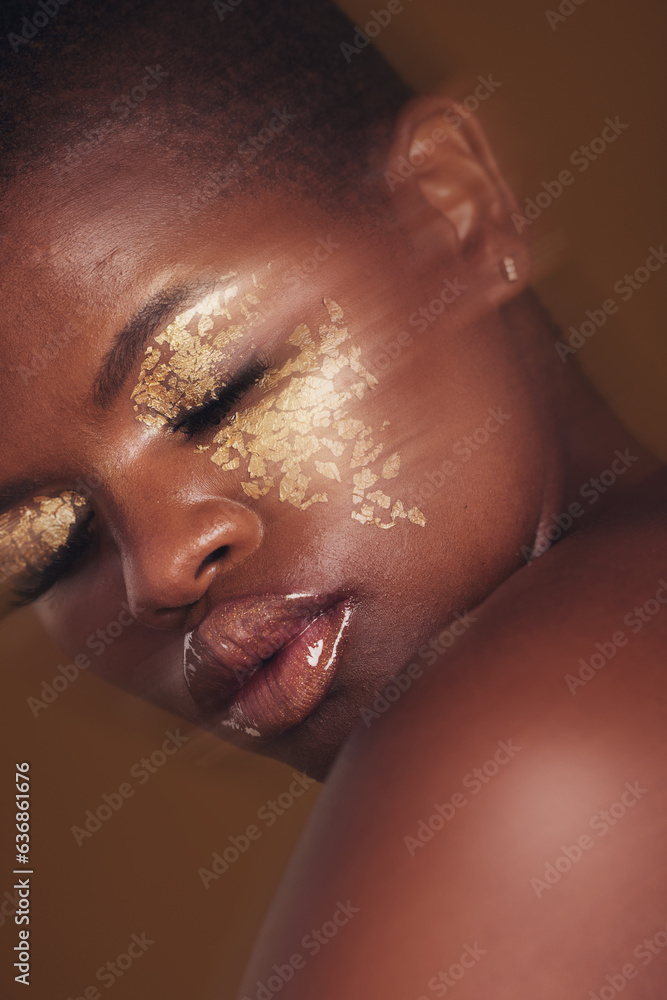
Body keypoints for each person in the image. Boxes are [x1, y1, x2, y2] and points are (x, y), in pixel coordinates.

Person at [0, 0, 664, 996]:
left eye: (214, 388)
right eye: (52, 548)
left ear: (457, 204)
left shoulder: (533, 749)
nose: (161, 570)